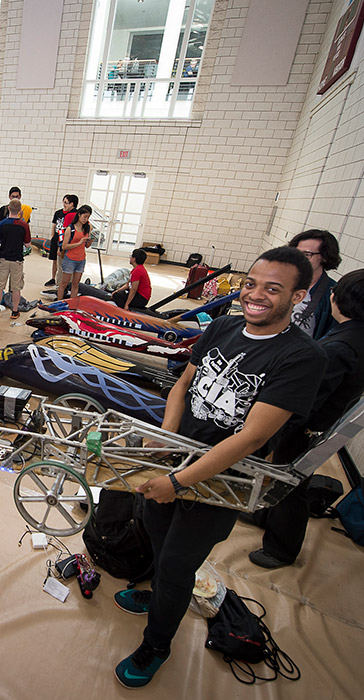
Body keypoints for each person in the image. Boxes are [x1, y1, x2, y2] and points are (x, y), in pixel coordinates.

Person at [112, 247, 326, 689]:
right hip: (176, 457)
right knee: (153, 528)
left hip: (222, 481)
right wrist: (164, 440)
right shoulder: (225, 326)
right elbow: (184, 385)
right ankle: (155, 595)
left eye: (273, 289)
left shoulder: (302, 358)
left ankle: (157, 643)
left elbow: (251, 437)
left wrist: (179, 480)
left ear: (299, 296)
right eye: (251, 283)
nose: (256, 295)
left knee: (177, 564)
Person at [249, 268, 364, 568]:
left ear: (339, 300)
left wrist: (271, 430)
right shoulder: (352, 336)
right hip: (317, 425)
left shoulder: (340, 347)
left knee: (291, 485)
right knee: (282, 481)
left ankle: (280, 549)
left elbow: (309, 397)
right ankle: (265, 514)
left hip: (306, 428)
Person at [288, 229, 340, 339]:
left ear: (325, 257)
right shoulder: (282, 282)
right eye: (296, 253)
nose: (299, 259)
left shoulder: (335, 294)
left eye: (307, 254)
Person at [0, 199, 30, 319]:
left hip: (3, 259)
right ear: (20, 210)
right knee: (16, 287)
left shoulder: (2, 224)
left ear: (8, 208)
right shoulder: (24, 225)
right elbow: (28, 244)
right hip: (17, 260)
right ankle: (14, 311)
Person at [57, 204, 92, 300]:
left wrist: (88, 242)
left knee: (75, 284)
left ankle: (72, 306)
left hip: (81, 259)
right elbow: (64, 246)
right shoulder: (70, 228)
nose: (86, 219)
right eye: (84, 216)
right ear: (79, 215)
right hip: (70, 259)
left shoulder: (87, 228)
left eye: (88, 217)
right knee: (64, 283)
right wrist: (79, 243)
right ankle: (59, 302)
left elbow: (86, 245)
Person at [46, 194, 78, 287]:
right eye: (63, 202)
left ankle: (62, 284)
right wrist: (53, 238)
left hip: (65, 241)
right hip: (58, 239)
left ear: (72, 204)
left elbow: (65, 231)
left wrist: (61, 246)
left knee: (64, 263)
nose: (64, 204)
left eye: (66, 203)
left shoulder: (73, 215)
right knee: (56, 260)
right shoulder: (58, 213)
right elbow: (55, 226)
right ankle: (54, 279)